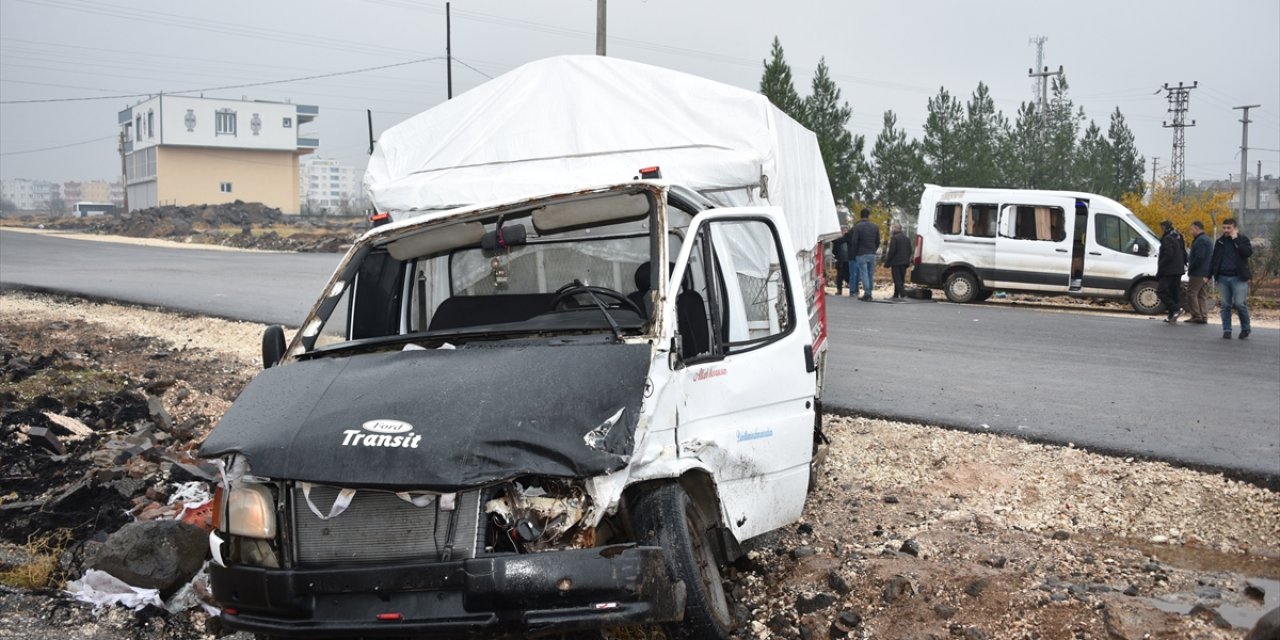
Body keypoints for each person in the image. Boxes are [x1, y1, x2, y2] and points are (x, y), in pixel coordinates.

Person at [1210, 217, 1253, 339]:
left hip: (1238, 278)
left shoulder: (1243, 239)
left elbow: (1247, 253)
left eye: (1229, 228)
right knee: (1225, 305)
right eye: (1224, 228)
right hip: (1223, 277)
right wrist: (1209, 275)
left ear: (1235, 228)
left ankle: (1245, 328)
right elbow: (1214, 259)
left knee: (1240, 304)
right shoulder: (1220, 242)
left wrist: (1236, 240)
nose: (1226, 230)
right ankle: (1227, 330)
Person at [1156, 220, 1187, 323]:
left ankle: (1176, 309)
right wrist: (1184, 263)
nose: (1161, 230)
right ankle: (1172, 315)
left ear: (1165, 227)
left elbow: (1168, 254)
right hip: (1178, 269)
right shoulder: (1178, 236)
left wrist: (1161, 265)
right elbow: (1183, 251)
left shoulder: (1167, 238)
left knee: (1161, 291)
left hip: (1169, 270)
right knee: (1174, 292)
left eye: (1162, 228)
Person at [1184, 220, 1212, 324]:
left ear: (1197, 228)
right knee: (1201, 294)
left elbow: (1199, 257)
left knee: (1192, 292)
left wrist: (1191, 267)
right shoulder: (1207, 239)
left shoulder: (1200, 240)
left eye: (1192, 229)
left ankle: (1196, 315)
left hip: (1198, 272)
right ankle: (1203, 316)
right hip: (1206, 271)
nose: (1190, 232)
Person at [850, 208, 880, 301]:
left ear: (860, 216)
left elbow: (854, 241)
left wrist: (855, 253)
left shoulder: (857, 227)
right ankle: (869, 293)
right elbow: (878, 241)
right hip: (872, 253)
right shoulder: (875, 227)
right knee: (870, 274)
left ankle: (867, 294)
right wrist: (873, 249)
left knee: (864, 274)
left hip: (861, 253)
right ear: (868, 216)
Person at [884, 222, 912, 299]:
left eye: (893, 228)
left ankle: (903, 294)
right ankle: (896, 295)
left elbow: (892, 251)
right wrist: (907, 260)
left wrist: (887, 262)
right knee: (901, 279)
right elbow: (910, 251)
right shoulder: (907, 238)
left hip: (896, 262)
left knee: (897, 279)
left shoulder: (894, 238)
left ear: (897, 228)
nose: (892, 229)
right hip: (904, 262)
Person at [831, 227, 850, 296]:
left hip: (845, 260)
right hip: (843, 260)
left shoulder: (843, 240)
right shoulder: (839, 241)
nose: (845, 233)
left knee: (845, 276)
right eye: (844, 231)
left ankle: (849, 289)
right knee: (840, 276)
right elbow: (834, 251)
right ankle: (839, 290)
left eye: (845, 231)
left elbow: (834, 251)